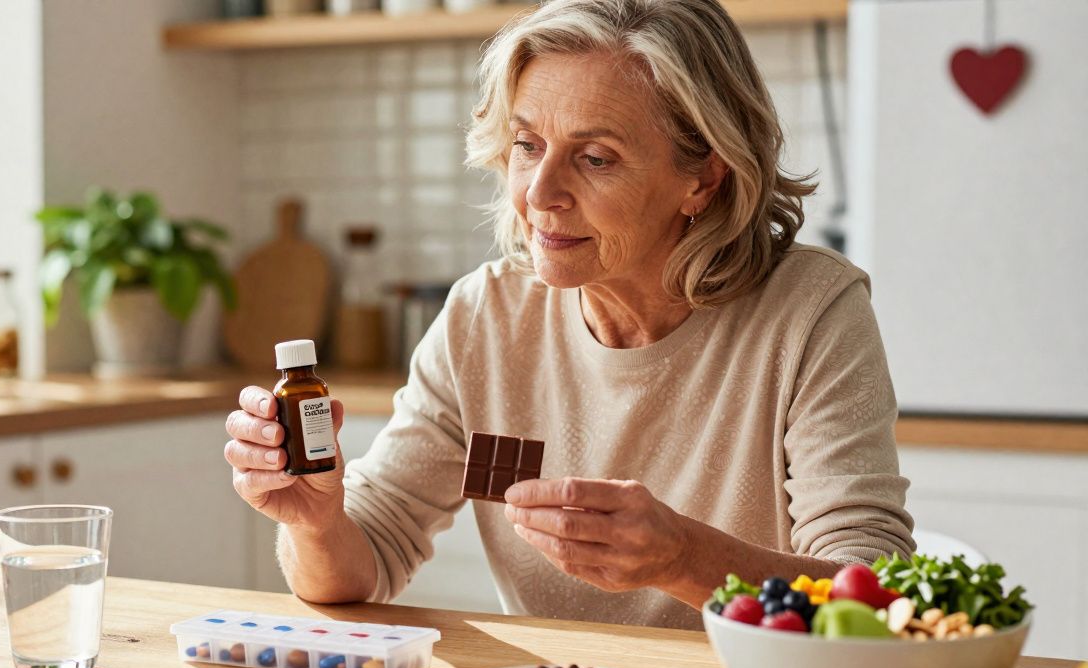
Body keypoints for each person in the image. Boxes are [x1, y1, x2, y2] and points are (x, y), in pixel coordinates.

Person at [223, 0, 914, 629]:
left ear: (702, 178)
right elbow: (362, 561)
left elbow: (876, 595)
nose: (541, 193)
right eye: (527, 146)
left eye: (594, 158)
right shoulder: (486, 318)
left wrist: (684, 559)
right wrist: (317, 524)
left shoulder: (810, 314)